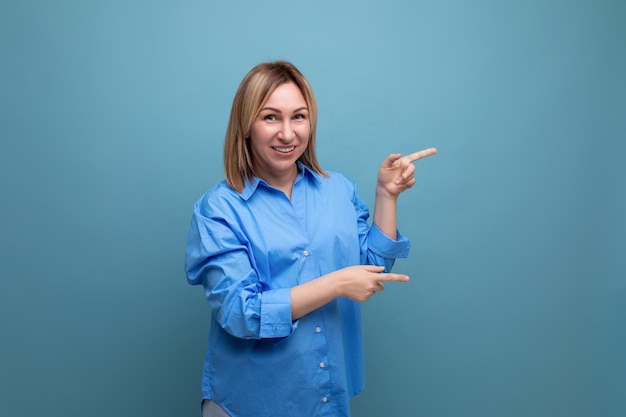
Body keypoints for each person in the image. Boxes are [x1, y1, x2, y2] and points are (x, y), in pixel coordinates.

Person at [184, 60, 436, 417]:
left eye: (298, 116)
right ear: (245, 125)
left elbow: (370, 268)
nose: (287, 134)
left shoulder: (338, 189)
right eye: (270, 117)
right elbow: (241, 313)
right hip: (248, 403)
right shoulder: (218, 209)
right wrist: (335, 284)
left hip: (325, 399)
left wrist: (386, 196)